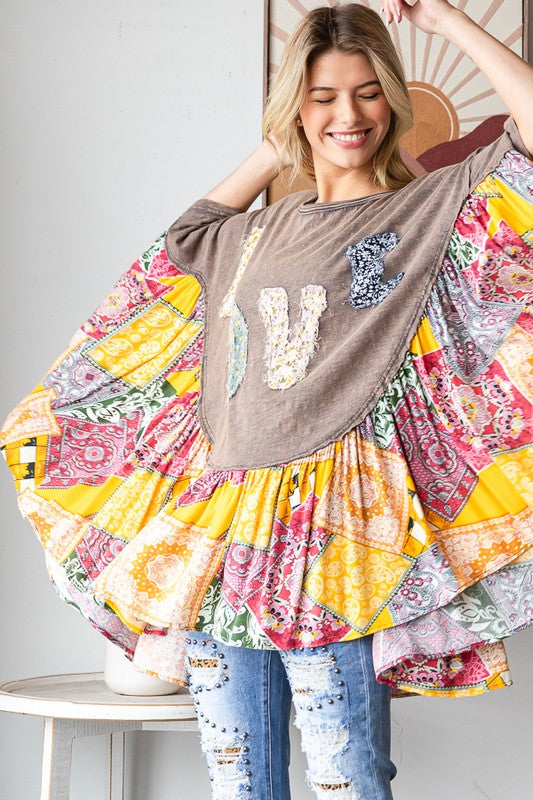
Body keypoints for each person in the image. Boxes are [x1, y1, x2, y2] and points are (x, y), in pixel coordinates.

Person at [1, 1, 532, 799]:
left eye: (364, 92)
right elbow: (182, 238)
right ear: (294, 107)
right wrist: (283, 134)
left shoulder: (428, 207)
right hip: (224, 533)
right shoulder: (249, 232)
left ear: (391, 96)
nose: (347, 114)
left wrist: (448, 20)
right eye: (321, 96)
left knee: (345, 772)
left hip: (336, 530)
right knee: (237, 780)